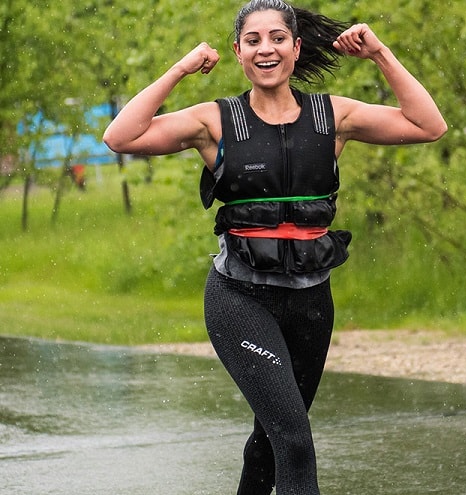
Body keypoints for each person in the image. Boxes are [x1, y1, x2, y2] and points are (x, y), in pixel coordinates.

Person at [103, 1, 446, 494]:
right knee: (295, 443)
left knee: (271, 439)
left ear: (296, 47)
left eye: (278, 38)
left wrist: (381, 55)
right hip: (240, 300)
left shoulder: (334, 115)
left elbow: (428, 126)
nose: (267, 49)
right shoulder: (214, 122)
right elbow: (120, 136)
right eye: (254, 40)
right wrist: (180, 69)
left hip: (311, 303)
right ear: (238, 52)